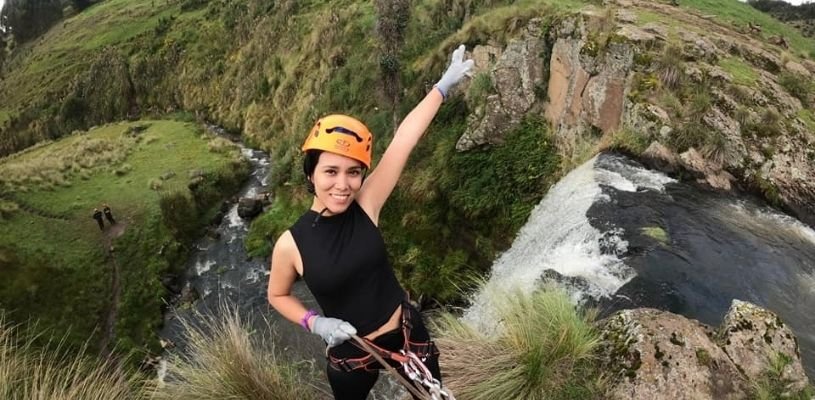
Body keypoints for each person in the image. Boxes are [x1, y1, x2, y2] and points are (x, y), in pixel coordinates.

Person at [267, 45, 474, 400]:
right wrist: (315, 323)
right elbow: (277, 294)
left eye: (353, 172)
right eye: (330, 171)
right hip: (353, 353)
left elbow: (403, 141)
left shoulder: (366, 204)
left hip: (407, 334)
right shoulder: (291, 243)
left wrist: (442, 86)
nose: (343, 184)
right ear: (311, 175)